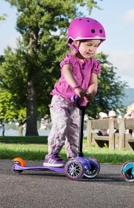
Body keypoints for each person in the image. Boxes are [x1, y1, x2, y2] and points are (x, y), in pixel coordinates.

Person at [43, 17, 106, 167]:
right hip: (61, 98)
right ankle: (51, 155)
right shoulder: (69, 59)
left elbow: (93, 83)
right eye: (88, 44)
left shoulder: (94, 64)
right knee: (61, 123)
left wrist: (91, 94)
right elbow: (67, 73)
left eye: (96, 46)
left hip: (77, 103)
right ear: (75, 42)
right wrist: (77, 87)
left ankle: (74, 157)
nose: (92, 49)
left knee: (75, 130)